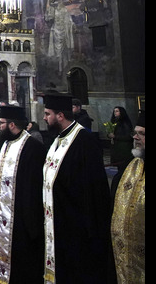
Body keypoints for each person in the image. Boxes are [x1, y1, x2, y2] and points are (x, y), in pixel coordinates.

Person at [42, 93, 114, 284]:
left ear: (60, 116)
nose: (44, 117)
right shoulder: (57, 140)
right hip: (57, 220)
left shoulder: (84, 140)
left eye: (47, 113)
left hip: (76, 224)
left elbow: (93, 189)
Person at [0, 105, 45, 284]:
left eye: (2, 123)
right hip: (0, 213)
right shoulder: (4, 143)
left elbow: (33, 186)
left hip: (20, 216)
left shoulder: (32, 147)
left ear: (12, 125)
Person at [111, 113, 144, 284]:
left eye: (142, 134)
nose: (136, 137)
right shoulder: (129, 168)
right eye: (135, 133)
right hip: (125, 261)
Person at [106, 106, 133, 171]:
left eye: (117, 111)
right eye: (114, 111)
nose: (115, 113)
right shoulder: (113, 122)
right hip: (116, 146)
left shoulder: (125, 122)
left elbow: (128, 136)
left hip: (123, 147)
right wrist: (109, 135)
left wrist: (115, 137)